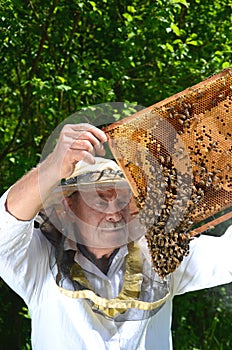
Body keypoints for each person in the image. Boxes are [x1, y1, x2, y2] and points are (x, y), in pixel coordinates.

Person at [0, 123, 232, 350]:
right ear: (69, 208)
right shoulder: (38, 261)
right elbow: (5, 228)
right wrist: (53, 166)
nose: (113, 212)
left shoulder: (160, 253)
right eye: (99, 198)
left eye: (122, 199)